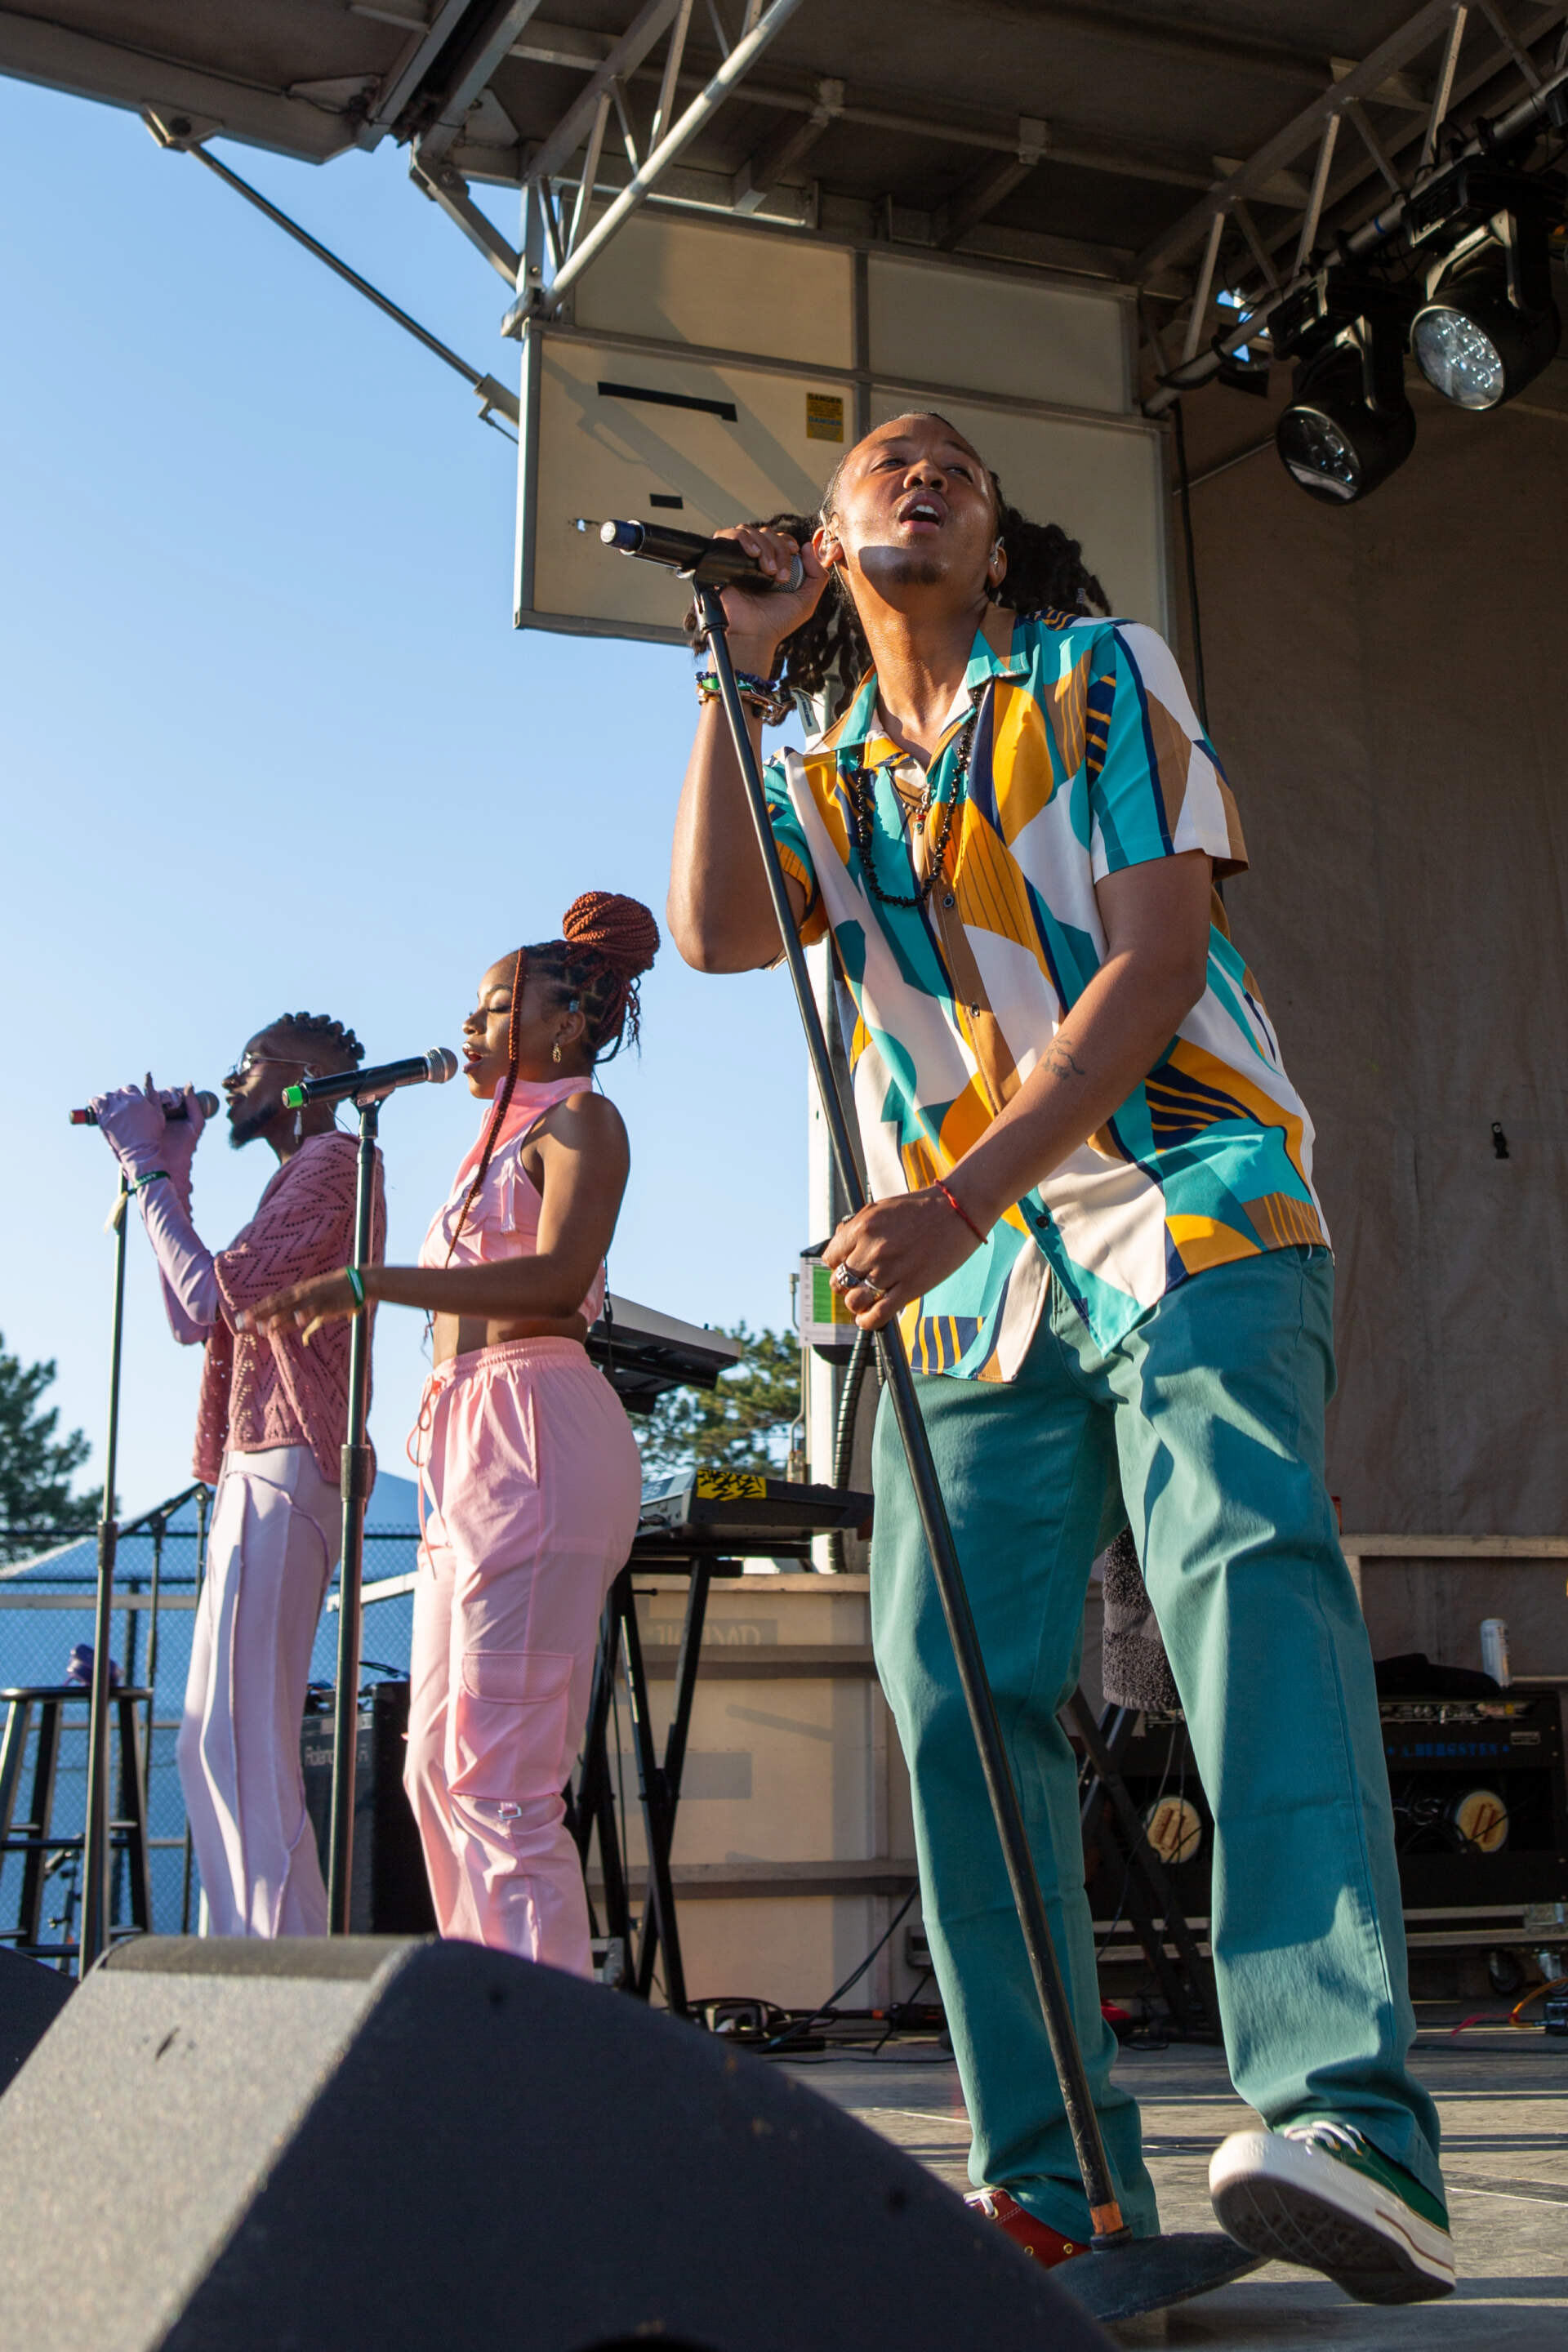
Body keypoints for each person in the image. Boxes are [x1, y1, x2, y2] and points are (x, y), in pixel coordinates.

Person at [667, 412, 1453, 2303]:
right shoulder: (824, 764)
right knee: (953, 1683)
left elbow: (1156, 962)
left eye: (955, 465)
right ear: (824, 542)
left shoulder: (1096, 675)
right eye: (882, 465)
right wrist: (737, 669)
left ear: (999, 540)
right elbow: (710, 929)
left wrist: (953, 1193)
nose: (920, 475)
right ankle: (1055, 2182)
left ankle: (1349, 2118)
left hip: (1187, 1198)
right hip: (977, 1286)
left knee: (1247, 1590)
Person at [241, 894, 657, 1975]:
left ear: (566, 1023)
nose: (468, 1027)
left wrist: (372, 1283)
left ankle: (547, 2049)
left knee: (500, 1783)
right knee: (434, 1769)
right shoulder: (500, 1140)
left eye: (492, 1008)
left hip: (535, 1435)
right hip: (468, 1447)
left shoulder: (583, 1122)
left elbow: (558, 1282)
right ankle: (491, 2018)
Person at [90, 1013, 384, 1936]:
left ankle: (284, 1964)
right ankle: (245, 1949)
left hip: (290, 1458)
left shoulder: (335, 1162)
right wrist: (171, 1171)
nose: (230, 1081)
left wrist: (147, 1168)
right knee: (210, 1740)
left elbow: (206, 1294)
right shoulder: (301, 1174)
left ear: (301, 1077)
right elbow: (200, 1315)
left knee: (245, 1739)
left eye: (249, 1065)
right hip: (260, 1461)